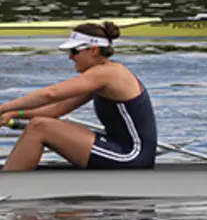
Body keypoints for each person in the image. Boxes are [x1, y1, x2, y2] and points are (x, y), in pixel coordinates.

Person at [0, 22, 158, 171]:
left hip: (131, 156)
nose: (70, 56)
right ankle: (12, 176)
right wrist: (15, 114)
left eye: (74, 51)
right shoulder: (100, 77)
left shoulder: (107, 73)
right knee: (41, 124)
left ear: (94, 50)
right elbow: (55, 110)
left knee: (40, 127)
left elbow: (51, 94)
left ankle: (9, 183)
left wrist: (3, 107)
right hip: (118, 148)